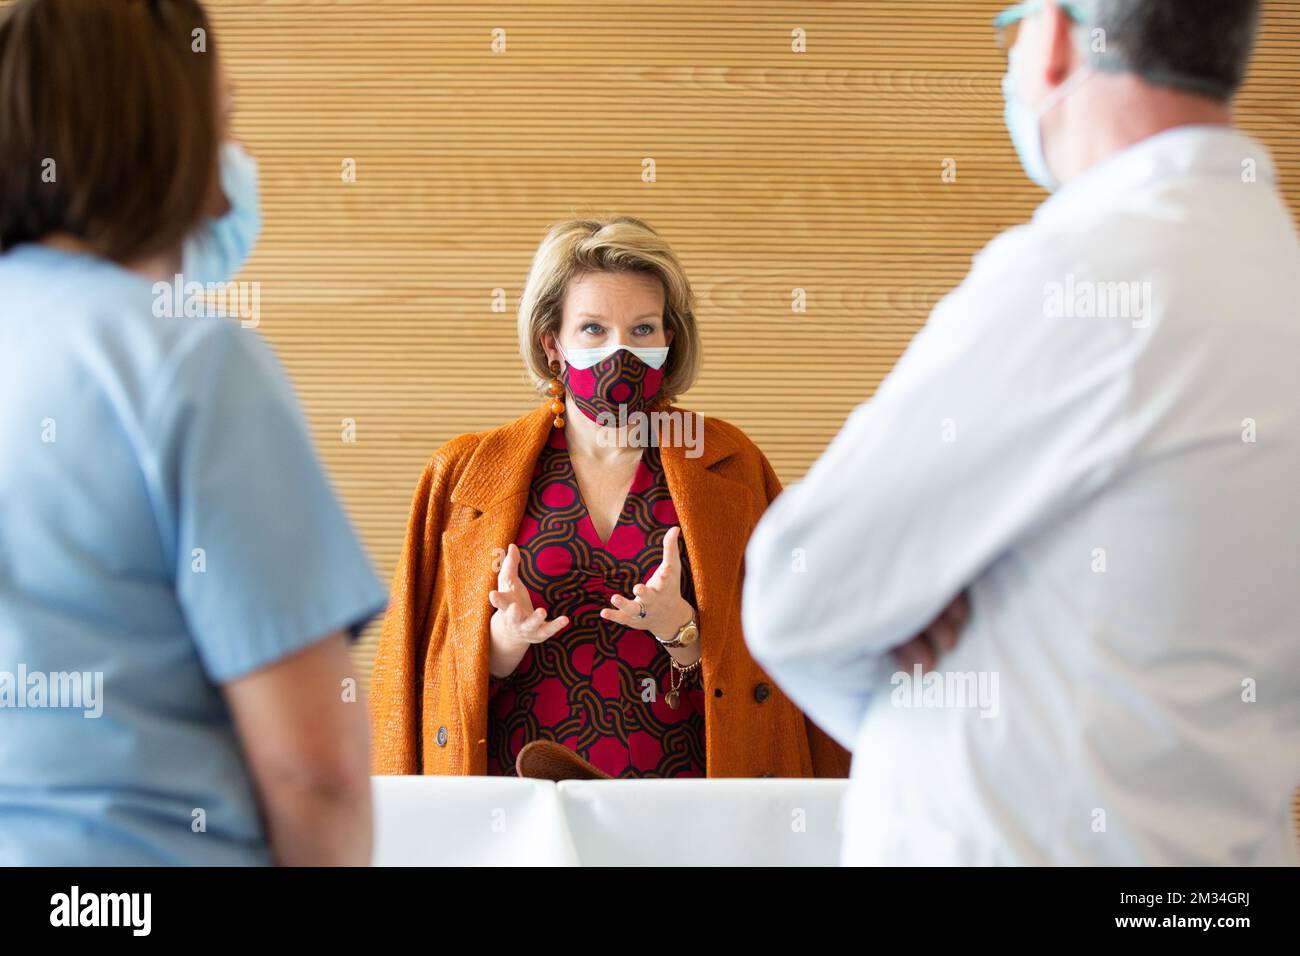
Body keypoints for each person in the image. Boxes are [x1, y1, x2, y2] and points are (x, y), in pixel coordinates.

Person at [743, 0, 1300, 865]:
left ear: (1058, 39)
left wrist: (914, 675)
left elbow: (795, 595)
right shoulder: (1276, 277)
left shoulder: (1086, 276)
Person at [0, 0, 386, 865]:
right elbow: (314, 769)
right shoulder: (191, 366)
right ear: (166, 139)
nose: (236, 160)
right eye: (225, 119)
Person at [370, 216, 855, 778]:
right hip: (517, 821)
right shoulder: (463, 475)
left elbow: (783, 667)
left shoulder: (731, 466)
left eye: (643, 329)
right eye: (594, 329)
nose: (620, 351)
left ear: (670, 339)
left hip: (690, 817)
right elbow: (411, 677)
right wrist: (502, 642)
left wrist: (682, 632)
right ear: (554, 343)